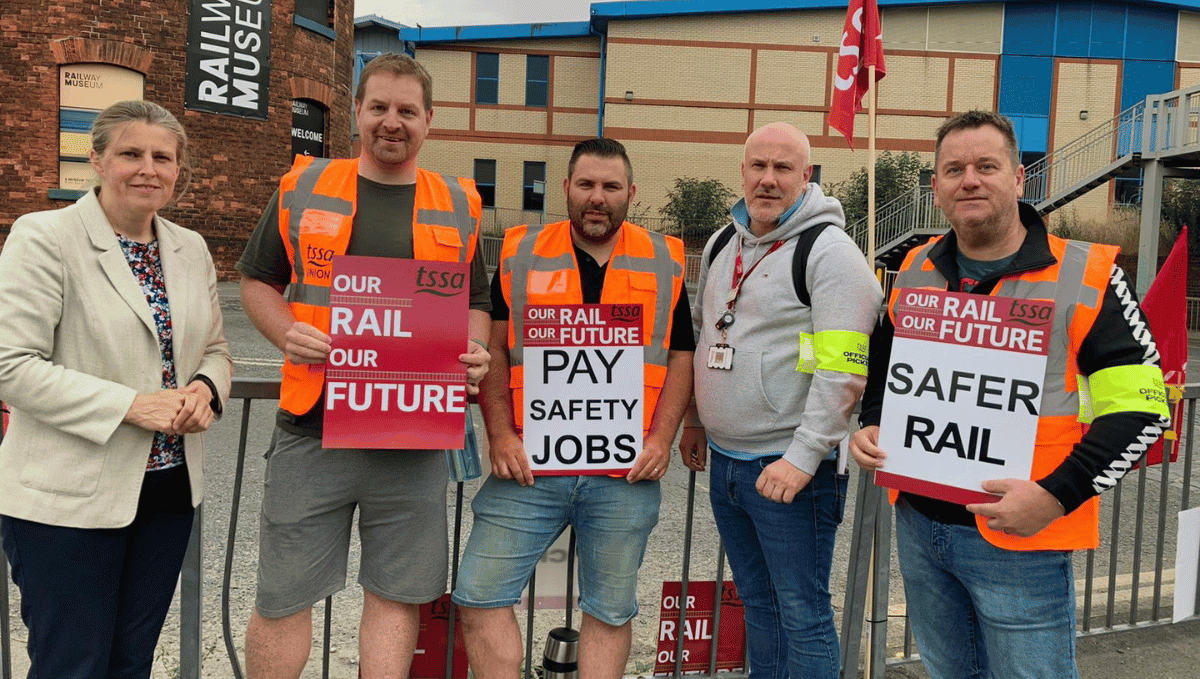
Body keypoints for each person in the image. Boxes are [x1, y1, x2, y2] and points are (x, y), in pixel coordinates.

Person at [849, 110, 1171, 679]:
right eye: (954, 170)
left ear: (1019, 179)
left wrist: (1053, 496)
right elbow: (885, 361)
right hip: (920, 529)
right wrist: (873, 421)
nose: (969, 179)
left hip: (1021, 541)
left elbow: (1142, 410)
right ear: (937, 189)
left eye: (985, 166)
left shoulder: (1087, 274)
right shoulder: (917, 265)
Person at [236, 53, 491, 679]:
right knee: (282, 596)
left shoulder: (459, 202)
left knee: (395, 596)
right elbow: (257, 281)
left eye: (407, 111)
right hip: (312, 430)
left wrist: (474, 350)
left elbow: (476, 299)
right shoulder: (304, 186)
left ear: (430, 121)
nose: (391, 122)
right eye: (378, 107)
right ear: (357, 112)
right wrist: (286, 332)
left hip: (412, 437)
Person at [0, 100, 232, 679]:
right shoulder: (45, 236)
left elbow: (216, 350)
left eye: (163, 156)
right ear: (97, 159)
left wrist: (205, 389)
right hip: (67, 499)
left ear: (179, 169)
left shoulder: (190, 248)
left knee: (131, 662)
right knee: (71, 665)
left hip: (166, 495)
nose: (147, 168)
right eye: (131, 153)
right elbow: (12, 363)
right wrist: (130, 406)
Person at [453, 138, 694, 679]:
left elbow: (681, 355)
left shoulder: (664, 258)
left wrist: (661, 438)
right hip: (529, 467)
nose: (597, 197)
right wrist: (498, 435)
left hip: (623, 471)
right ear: (564, 188)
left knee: (609, 609)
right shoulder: (521, 251)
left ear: (631, 193)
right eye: (586, 184)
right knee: (479, 595)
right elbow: (494, 346)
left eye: (610, 187)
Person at [679, 122, 881, 678]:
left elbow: (843, 371)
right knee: (760, 606)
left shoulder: (831, 254)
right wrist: (695, 420)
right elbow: (705, 335)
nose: (768, 180)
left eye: (783, 168)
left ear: (806, 176)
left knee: (803, 615)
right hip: (728, 462)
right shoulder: (724, 241)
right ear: (742, 172)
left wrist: (804, 455)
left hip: (791, 472)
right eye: (758, 166)